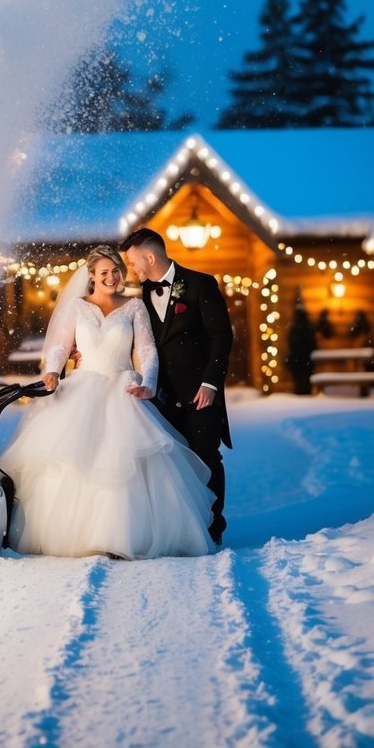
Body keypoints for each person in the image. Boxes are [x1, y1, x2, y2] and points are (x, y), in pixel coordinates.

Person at [1, 246, 215, 559]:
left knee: (122, 461)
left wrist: (149, 382)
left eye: (116, 270)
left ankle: (120, 535)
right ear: (92, 277)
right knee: (72, 457)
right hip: (81, 387)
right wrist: (52, 372)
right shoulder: (77, 307)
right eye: (104, 273)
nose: (112, 277)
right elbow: (61, 346)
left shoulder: (134, 307)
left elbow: (146, 351)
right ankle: (71, 533)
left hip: (122, 387)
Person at [121, 227, 233, 545]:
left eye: (133, 262)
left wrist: (211, 383)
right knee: (172, 462)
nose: (132, 270)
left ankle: (213, 527)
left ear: (150, 256)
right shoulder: (141, 298)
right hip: (162, 398)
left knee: (206, 457)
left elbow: (221, 337)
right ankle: (184, 529)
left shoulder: (200, 285)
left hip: (201, 394)